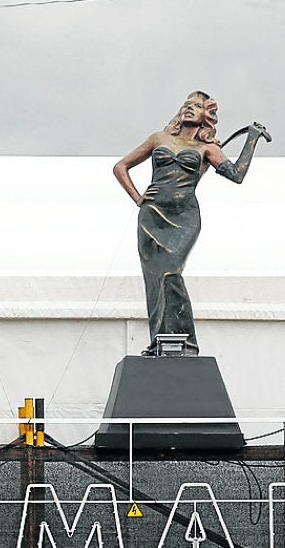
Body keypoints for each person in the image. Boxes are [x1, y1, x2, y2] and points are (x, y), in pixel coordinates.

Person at [113, 92, 267, 356]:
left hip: (184, 217)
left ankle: (186, 342)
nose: (188, 109)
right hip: (152, 216)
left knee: (171, 273)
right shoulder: (158, 139)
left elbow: (237, 174)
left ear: (205, 117)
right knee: (154, 279)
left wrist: (252, 138)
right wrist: (138, 197)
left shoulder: (207, 149)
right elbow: (121, 167)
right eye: (186, 105)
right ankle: (160, 342)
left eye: (196, 107)